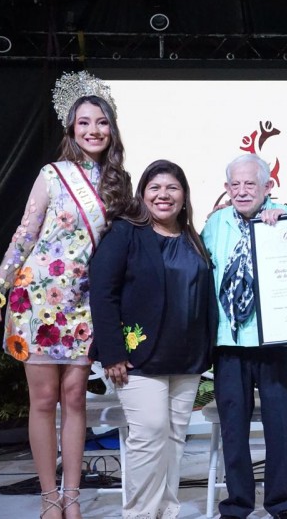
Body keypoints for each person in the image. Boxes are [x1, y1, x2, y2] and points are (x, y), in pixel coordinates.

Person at [0, 71, 134, 519]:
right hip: (38, 300)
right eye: (84, 123)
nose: (93, 131)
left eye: (101, 122)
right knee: (44, 401)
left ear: (112, 128)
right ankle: (49, 497)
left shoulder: (119, 182)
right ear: (71, 128)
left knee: (76, 398)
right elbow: (24, 236)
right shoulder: (52, 174)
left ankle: (73, 496)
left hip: (84, 302)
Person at [89, 160, 216, 519]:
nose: (164, 195)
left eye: (172, 188)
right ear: (142, 194)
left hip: (187, 358)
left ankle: (167, 512)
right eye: (155, 188)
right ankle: (140, 514)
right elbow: (102, 292)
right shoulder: (125, 233)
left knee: (174, 439)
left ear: (184, 196)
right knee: (149, 436)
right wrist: (112, 351)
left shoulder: (192, 238)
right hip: (137, 358)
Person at [202, 153, 287, 519]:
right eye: (235, 185)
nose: (242, 191)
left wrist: (282, 225)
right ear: (226, 188)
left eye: (250, 184)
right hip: (229, 342)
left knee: (281, 425)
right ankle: (237, 503)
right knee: (233, 427)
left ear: (267, 186)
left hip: (276, 339)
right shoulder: (215, 223)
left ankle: (281, 502)